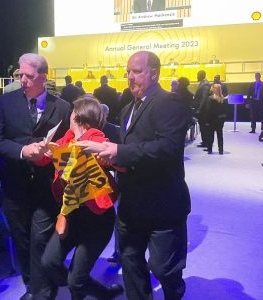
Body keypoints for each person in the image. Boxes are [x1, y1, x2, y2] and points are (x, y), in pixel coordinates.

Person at [78, 51, 191, 300]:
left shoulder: (169, 102)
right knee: (130, 260)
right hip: (131, 203)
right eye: (127, 71)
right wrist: (113, 159)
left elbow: (167, 148)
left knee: (163, 268)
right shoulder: (128, 107)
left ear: (154, 73)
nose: (130, 76)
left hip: (163, 203)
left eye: (136, 71)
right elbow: (130, 149)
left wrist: (119, 151)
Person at [0, 53, 70, 300]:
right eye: (19, 75)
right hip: (15, 186)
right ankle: (31, 285)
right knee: (22, 241)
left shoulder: (63, 107)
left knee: (40, 240)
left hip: (46, 187)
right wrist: (24, 151)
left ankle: (41, 292)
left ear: (43, 77)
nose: (22, 80)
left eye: (28, 76)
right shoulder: (4, 103)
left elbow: (67, 146)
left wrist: (52, 153)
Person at [39, 96, 123, 299]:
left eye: (71, 112)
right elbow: (43, 159)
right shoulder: (66, 139)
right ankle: (95, 290)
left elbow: (118, 160)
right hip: (71, 215)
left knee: (76, 280)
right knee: (49, 263)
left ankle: (86, 287)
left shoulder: (96, 138)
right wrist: (42, 150)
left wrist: (102, 152)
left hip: (97, 219)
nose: (69, 116)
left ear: (76, 115)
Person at [206, 84, 228, 154]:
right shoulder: (223, 99)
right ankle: (221, 150)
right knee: (220, 135)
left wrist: (207, 120)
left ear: (214, 89)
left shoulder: (210, 98)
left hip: (212, 119)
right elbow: (225, 111)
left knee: (210, 135)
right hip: (220, 120)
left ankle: (209, 149)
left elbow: (208, 110)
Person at [194, 70, 211, 148]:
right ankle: (204, 141)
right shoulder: (202, 83)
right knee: (202, 126)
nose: (197, 76)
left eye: (198, 75)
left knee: (204, 126)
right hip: (202, 109)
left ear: (202, 75)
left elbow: (204, 98)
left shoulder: (205, 84)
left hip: (204, 110)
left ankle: (206, 142)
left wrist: (199, 109)